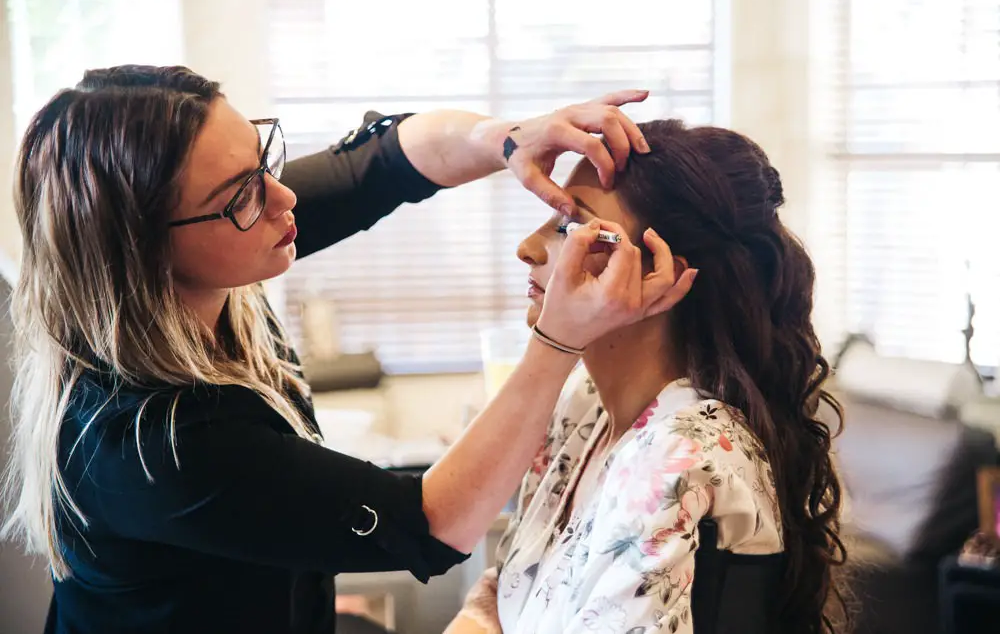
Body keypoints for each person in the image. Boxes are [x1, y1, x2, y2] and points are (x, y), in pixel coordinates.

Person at [0, 65, 698, 634]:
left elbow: (385, 163)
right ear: (147, 253)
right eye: (241, 195)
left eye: (262, 157)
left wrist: (509, 138)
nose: (283, 198)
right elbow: (430, 523)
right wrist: (556, 341)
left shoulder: (221, 253)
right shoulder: (152, 445)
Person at [446, 119, 848, 634]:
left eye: (573, 228)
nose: (528, 247)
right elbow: (507, 595)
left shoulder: (680, 453)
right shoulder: (584, 406)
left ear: (662, 274)